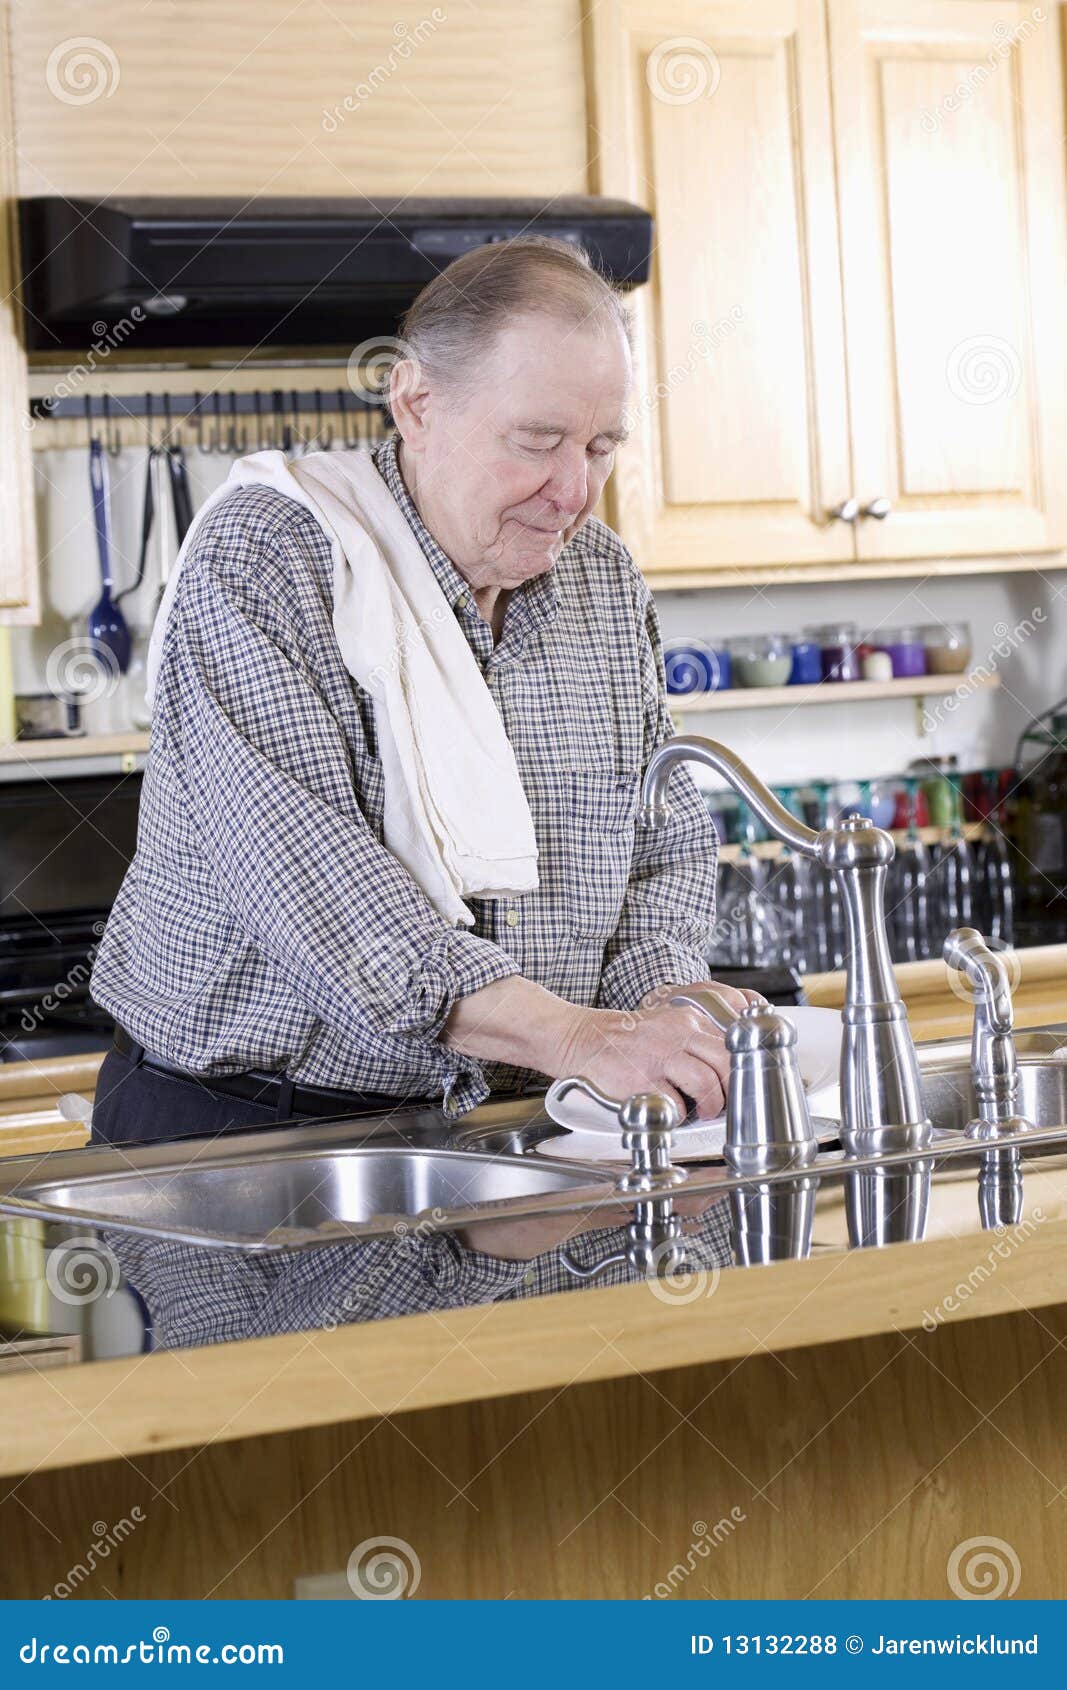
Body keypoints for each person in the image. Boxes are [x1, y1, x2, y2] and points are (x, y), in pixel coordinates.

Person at [88, 237, 753, 1340]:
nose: (573, 488)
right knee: (274, 1493)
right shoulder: (268, 557)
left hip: (506, 1136)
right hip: (242, 1144)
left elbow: (661, 838)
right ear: (414, 399)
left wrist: (657, 1011)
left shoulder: (601, 579)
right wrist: (580, 1039)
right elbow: (315, 887)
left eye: (599, 445)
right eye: (537, 440)